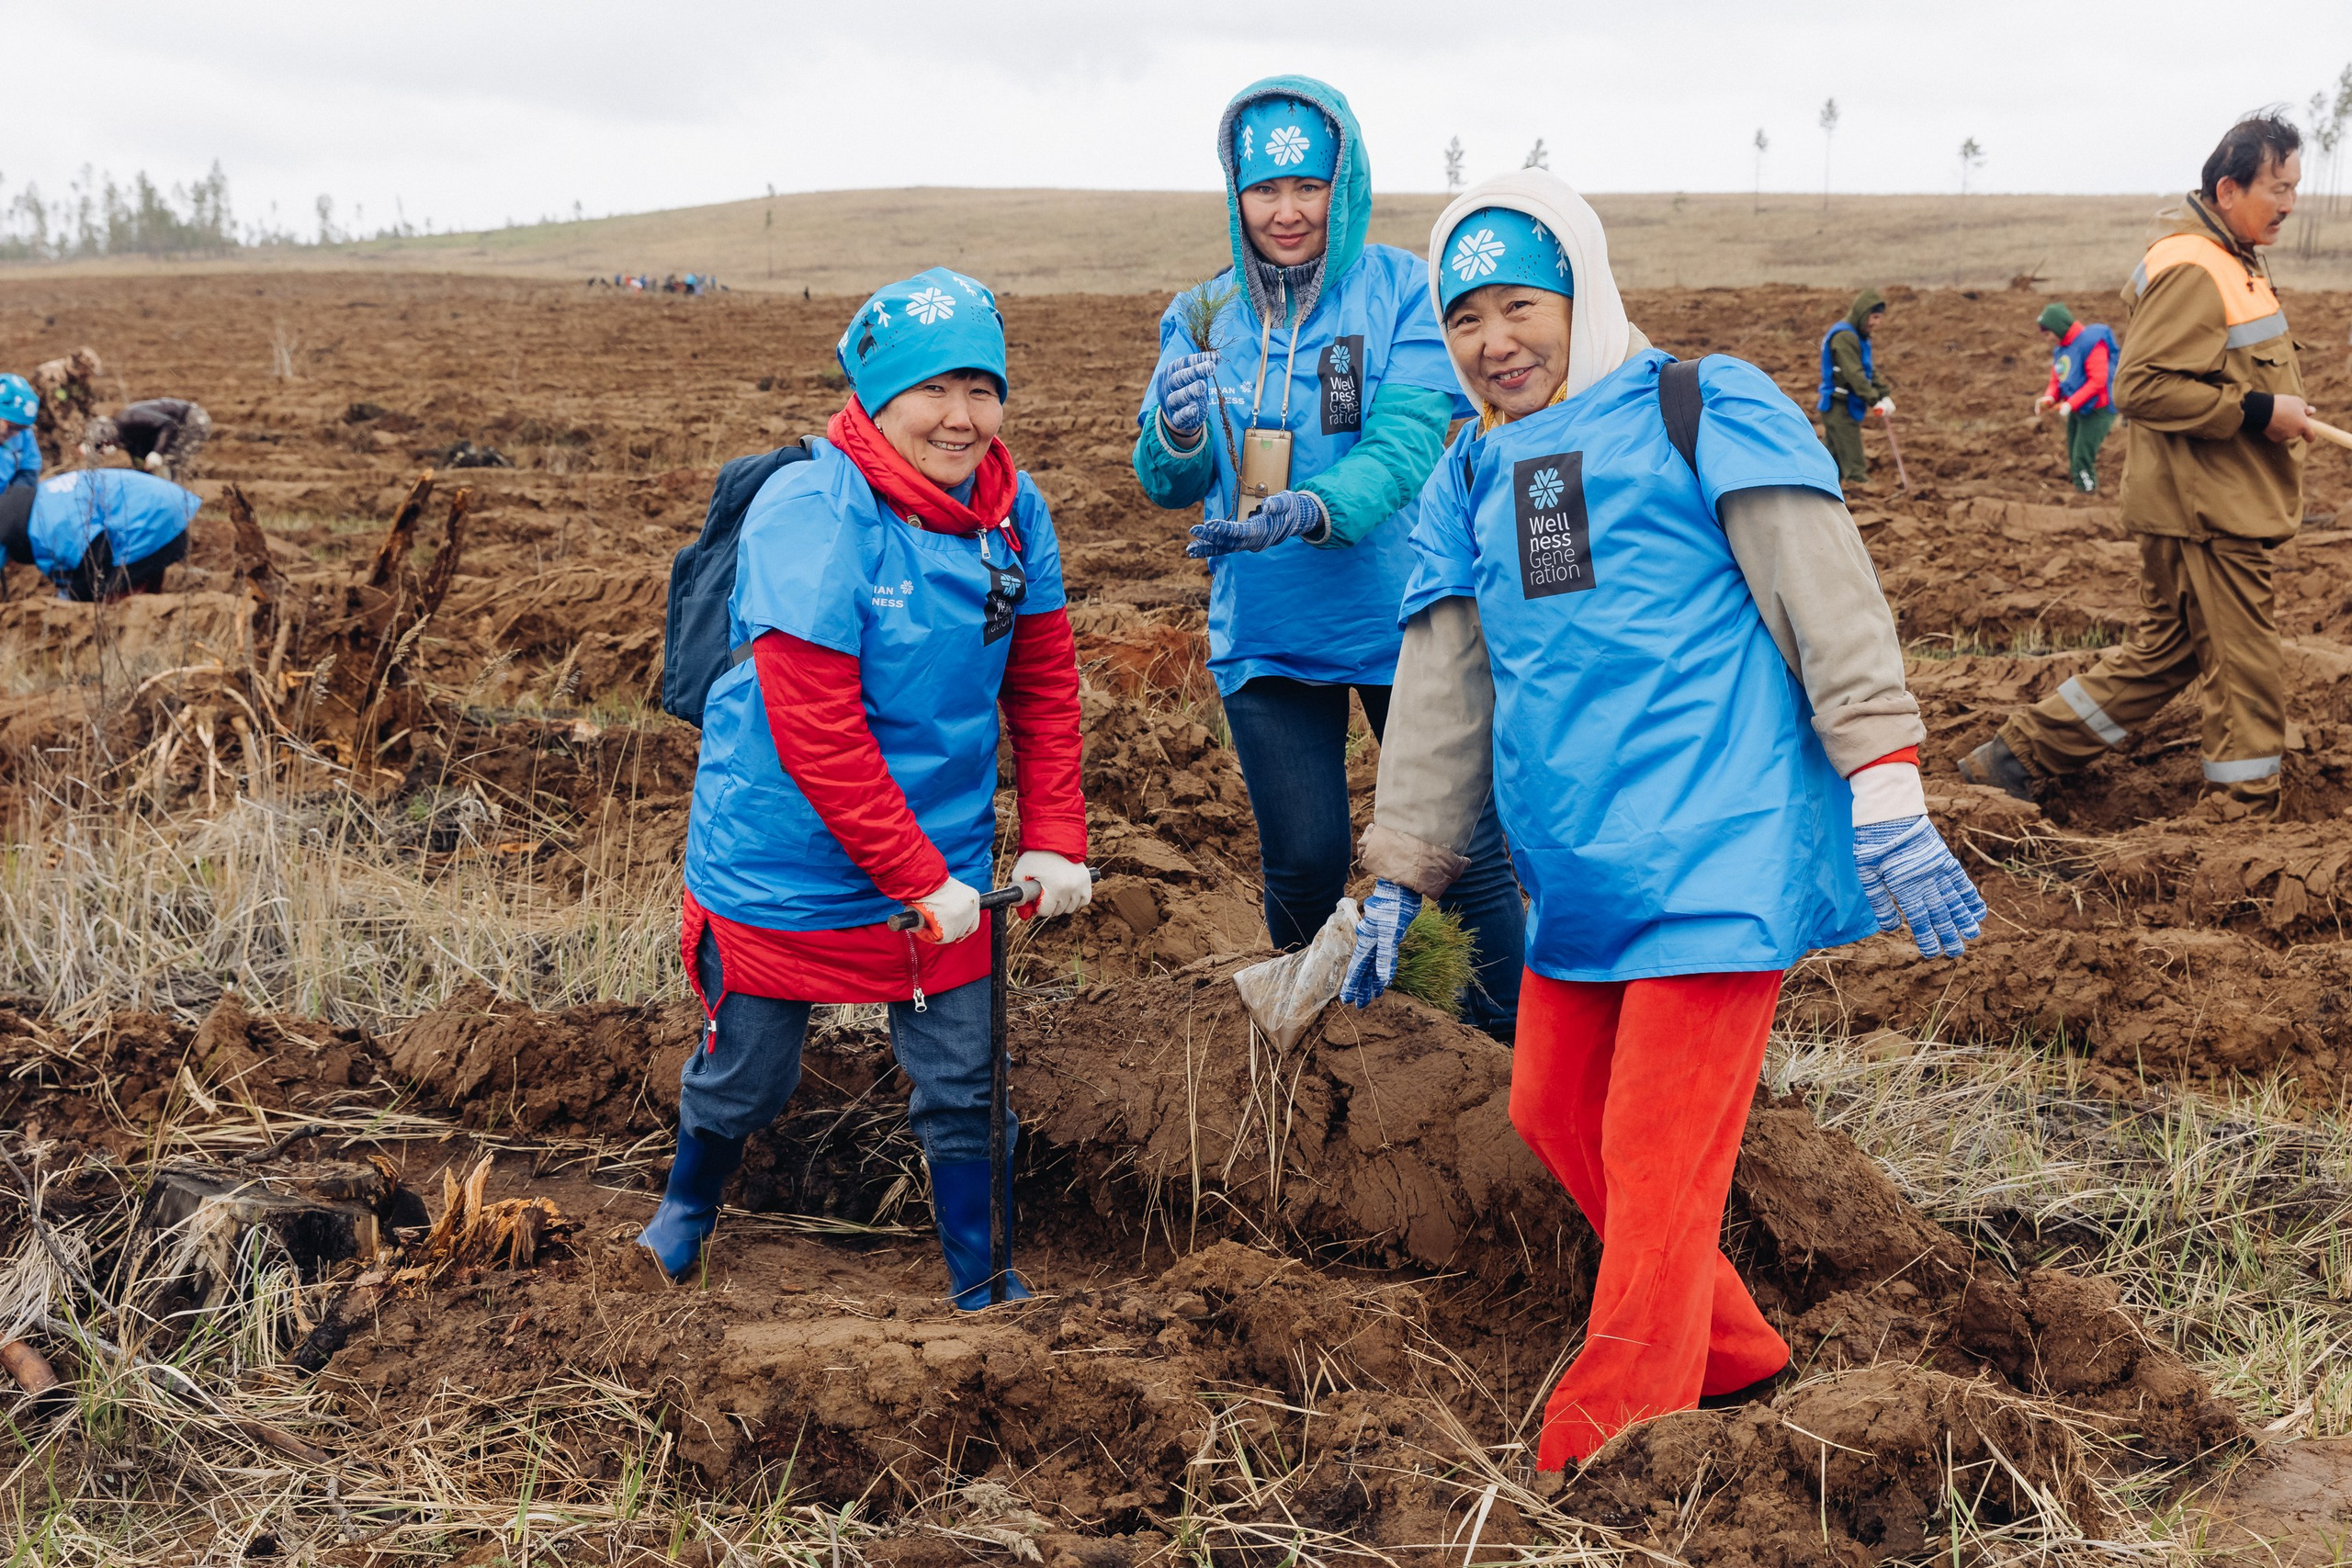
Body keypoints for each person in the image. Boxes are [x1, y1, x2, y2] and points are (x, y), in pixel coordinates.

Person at [1340, 169, 1984, 1470]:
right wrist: (1401, 867)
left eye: (1520, 305)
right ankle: (1734, 1346)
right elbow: (1444, 683)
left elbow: (1827, 593)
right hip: (1579, 867)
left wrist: (1888, 778)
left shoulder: (1703, 406)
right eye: (1463, 319)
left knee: (1654, 1136)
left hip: (1722, 844)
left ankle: (1612, 1432)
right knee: (1550, 1104)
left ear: (1584, 292)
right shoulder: (1472, 469)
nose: (1493, 342)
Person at [643, 266, 1091, 1307]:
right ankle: (685, 1210)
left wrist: (1054, 833)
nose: (959, 416)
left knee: (965, 1082)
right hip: (784, 850)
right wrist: (916, 874)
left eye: (981, 386)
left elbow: (1042, 683)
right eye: (930, 388)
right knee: (747, 1076)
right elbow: (815, 725)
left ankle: (984, 1280)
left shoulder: (1015, 512)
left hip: (937, 854)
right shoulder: (812, 507)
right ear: (875, 397)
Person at [1133, 75, 1525, 1038]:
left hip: (1407, 618)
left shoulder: (1403, 293)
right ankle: (1323, 1056)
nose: (1286, 211)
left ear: (1341, 185)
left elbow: (1402, 446)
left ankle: (1502, 1057)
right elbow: (1166, 480)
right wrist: (1177, 436)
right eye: (1264, 191)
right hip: (1267, 626)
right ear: (1236, 197)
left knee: (1466, 851)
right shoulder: (1201, 314)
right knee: (1303, 861)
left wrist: (1310, 507)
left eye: (1306, 187)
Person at [1961, 115, 2313, 820]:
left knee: (2166, 654)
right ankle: (2245, 807)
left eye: (2295, 188)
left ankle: (2013, 757)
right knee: (2245, 665)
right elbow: (2142, 386)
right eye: (2278, 188)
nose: (2289, 204)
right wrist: (2256, 412)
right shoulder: (2196, 265)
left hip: (2201, 503)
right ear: (2229, 186)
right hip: (2207, 511)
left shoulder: (2234, 254)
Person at [0, 468, 199, 601]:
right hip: (160, 507)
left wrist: (72, 598)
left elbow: (97, 563)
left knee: (108, 591)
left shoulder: (53, 526)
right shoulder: (40, 503)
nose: (11, 565)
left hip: (155, 520)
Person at [2033, 302, 2120, 493]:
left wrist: (2071, 404)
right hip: (2078, 407)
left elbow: (2098, 381)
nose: (2047, 339)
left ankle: (2088, 494)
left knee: (2082, 456)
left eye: (2048, 334)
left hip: (2098, 409)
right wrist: (2049, 398)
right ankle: (2082, 489)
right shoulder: (2062, 349)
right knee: (2073, 453)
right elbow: (2057, 378)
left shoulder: (2092, 342)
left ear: (2059, 328)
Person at [1816, 288, 1893, 489]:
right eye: (1874, 317)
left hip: (1845, 406)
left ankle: (1811, 485)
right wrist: (1874, 400)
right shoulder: (1844, 337)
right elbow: (1854, 375)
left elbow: (1867, 369)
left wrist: (1884, 393)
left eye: (1879, 318)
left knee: (1829, 457)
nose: (1877, 323)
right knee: (1854, 467)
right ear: (1862, 313)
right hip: (1839, 406)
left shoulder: (1859, 336)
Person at [82, 398, 213, 481]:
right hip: (176, 426)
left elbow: (169, 425)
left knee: (169, 462)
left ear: (108, 435)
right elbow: (140, 460)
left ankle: (172, 501)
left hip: (191, 420)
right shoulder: (125, 440)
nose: (103, 451)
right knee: (155, 468)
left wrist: (157, 452)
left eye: (101, 446)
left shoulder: (129, 419)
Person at [28, 348, 101, 467]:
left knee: (55, 455)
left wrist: (98, 423)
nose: (88, 377)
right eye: (86, 373)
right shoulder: (52, 377)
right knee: (44, 458)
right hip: (32, 420)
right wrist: (79, 441)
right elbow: (59, 414)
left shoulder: (77, 377)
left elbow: (86, 401)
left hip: (47, 419)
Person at [0, 374, 40, 490]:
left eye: (21, 428)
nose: (16, 434)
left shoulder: (23, 433)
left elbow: (29, 466)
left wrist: (17, 496)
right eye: (11, 427)